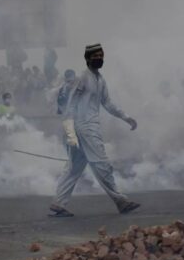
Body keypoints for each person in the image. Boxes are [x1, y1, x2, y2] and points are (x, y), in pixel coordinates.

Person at [49, 44, 140, 218]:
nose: (99, 58)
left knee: (74, 167)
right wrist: (69, 127)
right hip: (84, 127)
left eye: (101, 55)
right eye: (96, 56)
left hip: (84, 127)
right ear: (88, 58)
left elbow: (108, 103)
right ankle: (121, 201)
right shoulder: (83, 78)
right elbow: (72, 101)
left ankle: (58, 203)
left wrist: (126, 117)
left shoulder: (100, 80)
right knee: (101, 164)